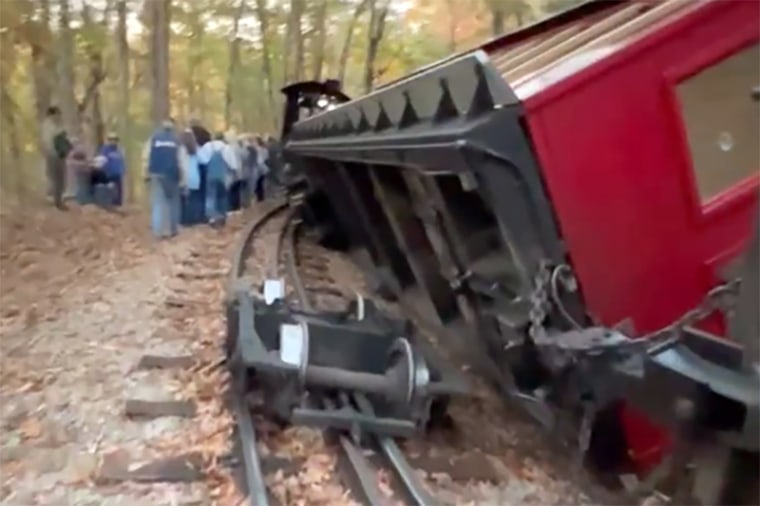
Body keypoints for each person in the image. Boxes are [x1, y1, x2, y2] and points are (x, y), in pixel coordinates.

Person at [143, 119, 188, 239]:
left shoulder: (153, 139)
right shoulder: (177, 141)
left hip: (156, 173)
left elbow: (146, 157)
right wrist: (183, 179)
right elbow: (182, 161)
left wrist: (145, 173)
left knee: (158, 203)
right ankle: (173, 229)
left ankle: (157, 231)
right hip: (172, 175)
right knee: (173, 203)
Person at [197, 132, 240, 227]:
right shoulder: (227, 148)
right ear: (223, 138)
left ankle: (212, 217)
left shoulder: (207, 146)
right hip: (224, 176)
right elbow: (232, 163)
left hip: (210, 175)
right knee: (223, 197)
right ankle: (222, 216)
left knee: (210, 197)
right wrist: (235, 172)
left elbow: (201, 159)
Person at [40, 106, 70, 209]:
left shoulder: (56, 125)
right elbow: (48, 141)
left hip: (58, 154)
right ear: (52, 115)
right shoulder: (48, 126)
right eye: (57, 114)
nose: (58, 117)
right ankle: (57, 201)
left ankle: (58, 199)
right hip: (54, 155)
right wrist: (53, 152)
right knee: (56, 178)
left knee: (60, 178)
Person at [179, 129, 203, 225]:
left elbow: (179, 162)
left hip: (183, 176)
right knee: (194, 199)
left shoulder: (180, 148)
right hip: (194, 176)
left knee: (183, 200)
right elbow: (203, 160)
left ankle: (184, 219)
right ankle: (193, 219)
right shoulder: (196, 149)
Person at [97, 133, 126, 206]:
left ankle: (118, 202)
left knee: (119, 188)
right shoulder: (105, 149)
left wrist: (123, 169)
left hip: (117, 172)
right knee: (109, 187)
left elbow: (122, 160)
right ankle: (109, 202)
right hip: (108, 172)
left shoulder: (119, 149)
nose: (113, 141)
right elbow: (102, 160)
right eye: (111, 139)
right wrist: (103, 169)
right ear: (109, 140)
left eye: (115, 140)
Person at [252, 136, 270, 202]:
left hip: (259, 170)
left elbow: (260, 161)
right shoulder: (264, 149)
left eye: (253, 141)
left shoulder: (257, 150)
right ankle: (262, 199)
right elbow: (267, 158)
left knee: (258, 186)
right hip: (265, 169)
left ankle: (260, 200)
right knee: (262, 185)